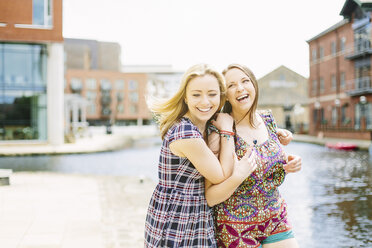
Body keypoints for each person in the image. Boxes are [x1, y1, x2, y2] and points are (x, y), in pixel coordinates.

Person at [144, 64, 257, 247]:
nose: (205, 102)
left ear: (220, 97)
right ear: (186, 98)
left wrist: (279, 133)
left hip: (195, 217)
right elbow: (221, 175)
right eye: (196, 95)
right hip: (177, 221)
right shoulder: (186, 133)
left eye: (212, 94)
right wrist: (227, 131)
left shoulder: (204, 126)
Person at [205, 64, 301, 248]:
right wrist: (238, 175)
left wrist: (290, 162)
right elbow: (210, 197)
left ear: (254, 85)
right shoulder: (219, 129)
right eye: (231, 85)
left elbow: (268, 161)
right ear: (225, 95)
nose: (240, 88)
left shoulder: (267, 119)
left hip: (275, 218)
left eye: (244, 81)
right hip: (235, 229)